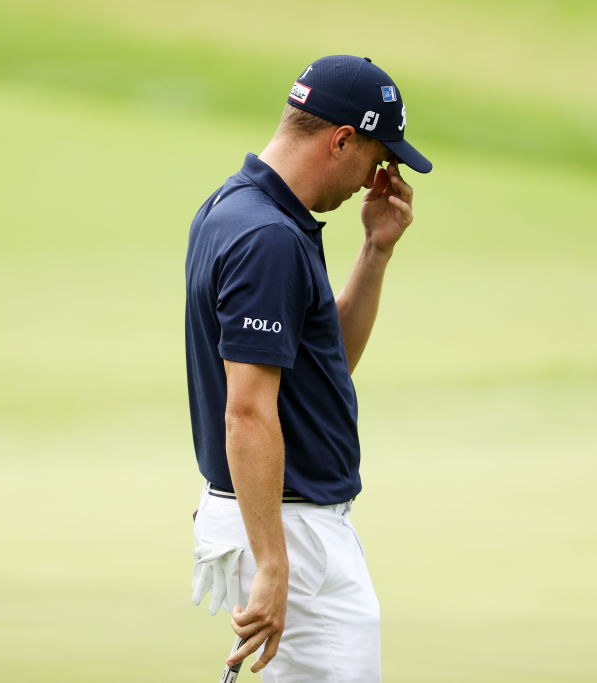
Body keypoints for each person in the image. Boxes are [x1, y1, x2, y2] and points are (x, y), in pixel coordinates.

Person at [185, 54, 432, 682]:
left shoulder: (236, 208)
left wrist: (375, 250)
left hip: (278, 517)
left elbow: (324, 365)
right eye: (377, 157)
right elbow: (246, 411)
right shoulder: (268, 238)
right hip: (290, 526)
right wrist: (272, 563)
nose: (376, 178)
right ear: (341, 140)